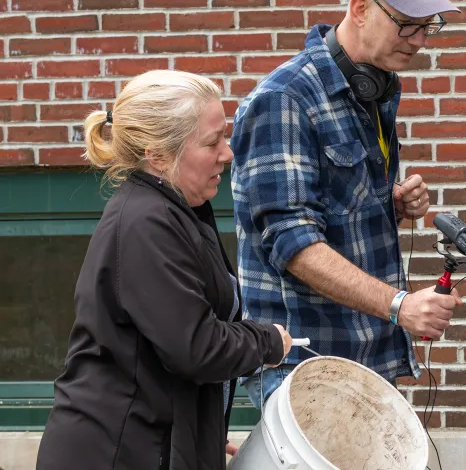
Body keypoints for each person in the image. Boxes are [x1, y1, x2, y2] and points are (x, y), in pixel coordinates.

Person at [231, 0, 463, 408]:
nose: (420, 40)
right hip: (304, 364)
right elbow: (293, 244)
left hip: (365, 357)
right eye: (408, 24)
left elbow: (328, 207)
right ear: (360, 8)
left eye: (428, 25)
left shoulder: (372, 89)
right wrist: (400, 306)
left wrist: (387, 203)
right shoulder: (285, 99)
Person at [36, 70, 293, 470]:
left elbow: (163, 351)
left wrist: (200, 437)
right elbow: (197, 347)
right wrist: (268, 342)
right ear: (157, 154)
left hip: (148, 442)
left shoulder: (176, 210)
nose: (227, 153)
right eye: (212, 142)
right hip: (115, 453)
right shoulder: (145, 224)